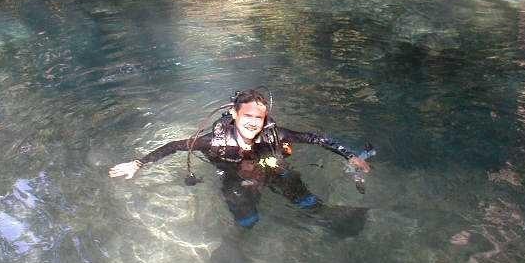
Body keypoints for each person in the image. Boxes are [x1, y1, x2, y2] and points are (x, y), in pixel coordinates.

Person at [109, 89, 371, 228]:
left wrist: (351, 156)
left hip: (270, 168)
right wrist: (138, 163)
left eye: (259, 118)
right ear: (235, 114)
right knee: (247, 219)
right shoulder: (213, 142)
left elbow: (316, 138)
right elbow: (174, 145)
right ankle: (242, 237)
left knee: (298, 190)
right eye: (247, 116)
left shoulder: (273, 135)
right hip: (234, 178)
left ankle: (327, 217)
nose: (253, 123)